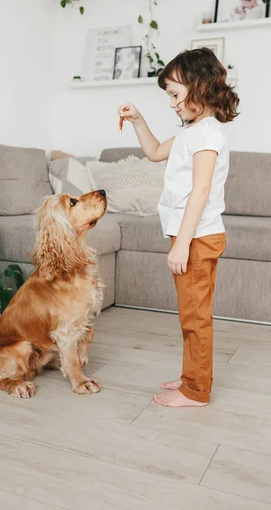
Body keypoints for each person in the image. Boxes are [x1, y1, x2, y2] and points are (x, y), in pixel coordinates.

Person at [118, 48, 239, 407]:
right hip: (190, 236)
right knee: (190, 313)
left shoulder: (207, 135)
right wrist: (138, 119)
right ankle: (191, 377)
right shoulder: (192, 131)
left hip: (198, 238)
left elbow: (200, 192)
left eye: (174, 94)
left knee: (195, 316)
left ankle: (196, 391)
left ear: (200, 86)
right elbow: (155, 152)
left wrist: (182, 244)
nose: (171, 104)